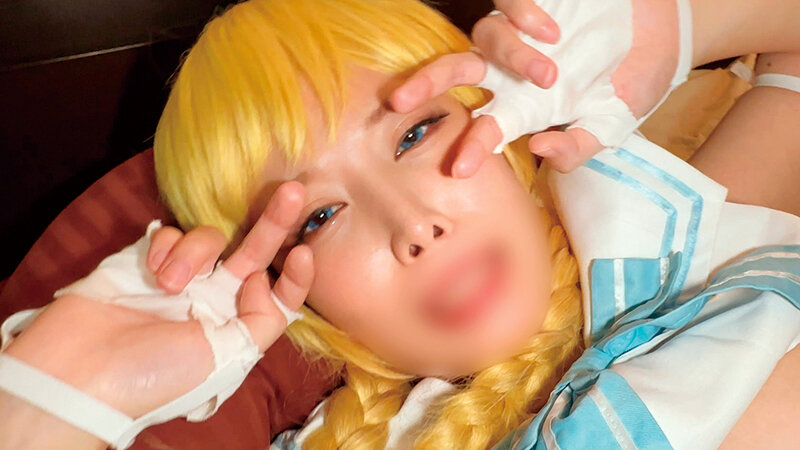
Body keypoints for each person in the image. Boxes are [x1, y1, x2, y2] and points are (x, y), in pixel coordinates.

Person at [1, 0, 799, 448]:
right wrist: (49, 407)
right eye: (319, 217)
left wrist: (683, 26)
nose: (412, 224)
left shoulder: (683, 259)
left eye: (416, 134)